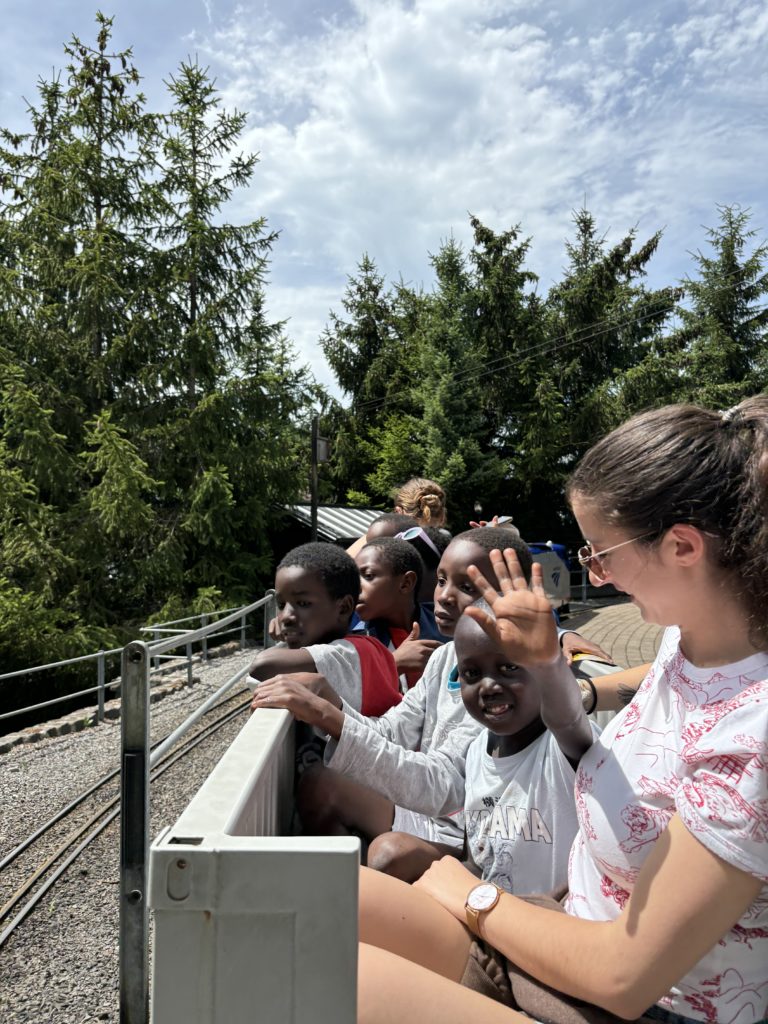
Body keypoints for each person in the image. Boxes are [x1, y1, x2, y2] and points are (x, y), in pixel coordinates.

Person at [355, 398, 768, 1024]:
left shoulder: (752, 738)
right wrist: (568, 677)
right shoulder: (694, 643)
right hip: (560, 939)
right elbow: (643, 689)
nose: (593, 575)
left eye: (601, 552)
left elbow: (623, 976)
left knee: (338, 978)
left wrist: (472, 893)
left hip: (640, 1004)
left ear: (682, 546)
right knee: (324, 904)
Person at [252, 529, 607, 881]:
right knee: (320, 784)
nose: (444, 597)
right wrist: (332, 702)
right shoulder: (445, 658)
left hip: (459, 824)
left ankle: (357, 904)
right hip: (437, 815)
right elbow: (394, 731)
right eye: (440, 581)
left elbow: (445, 785)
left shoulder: (514, 690)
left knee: (389, 854)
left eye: (466, 587)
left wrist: (330, 717)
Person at [247, 542, 402, 718]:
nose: (285, 616)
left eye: (303, 603)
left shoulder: (350, 653)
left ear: (343, 608)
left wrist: (284, 642)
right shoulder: (366, 645)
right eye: (282, 605)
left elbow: (262, 665)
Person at [353, 537, 444, 689]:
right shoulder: (354, 639)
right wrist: (394, 663)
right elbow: (346, 692)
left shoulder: (446, 625)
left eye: (368, 576)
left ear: (406, 583)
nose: (355, 587)